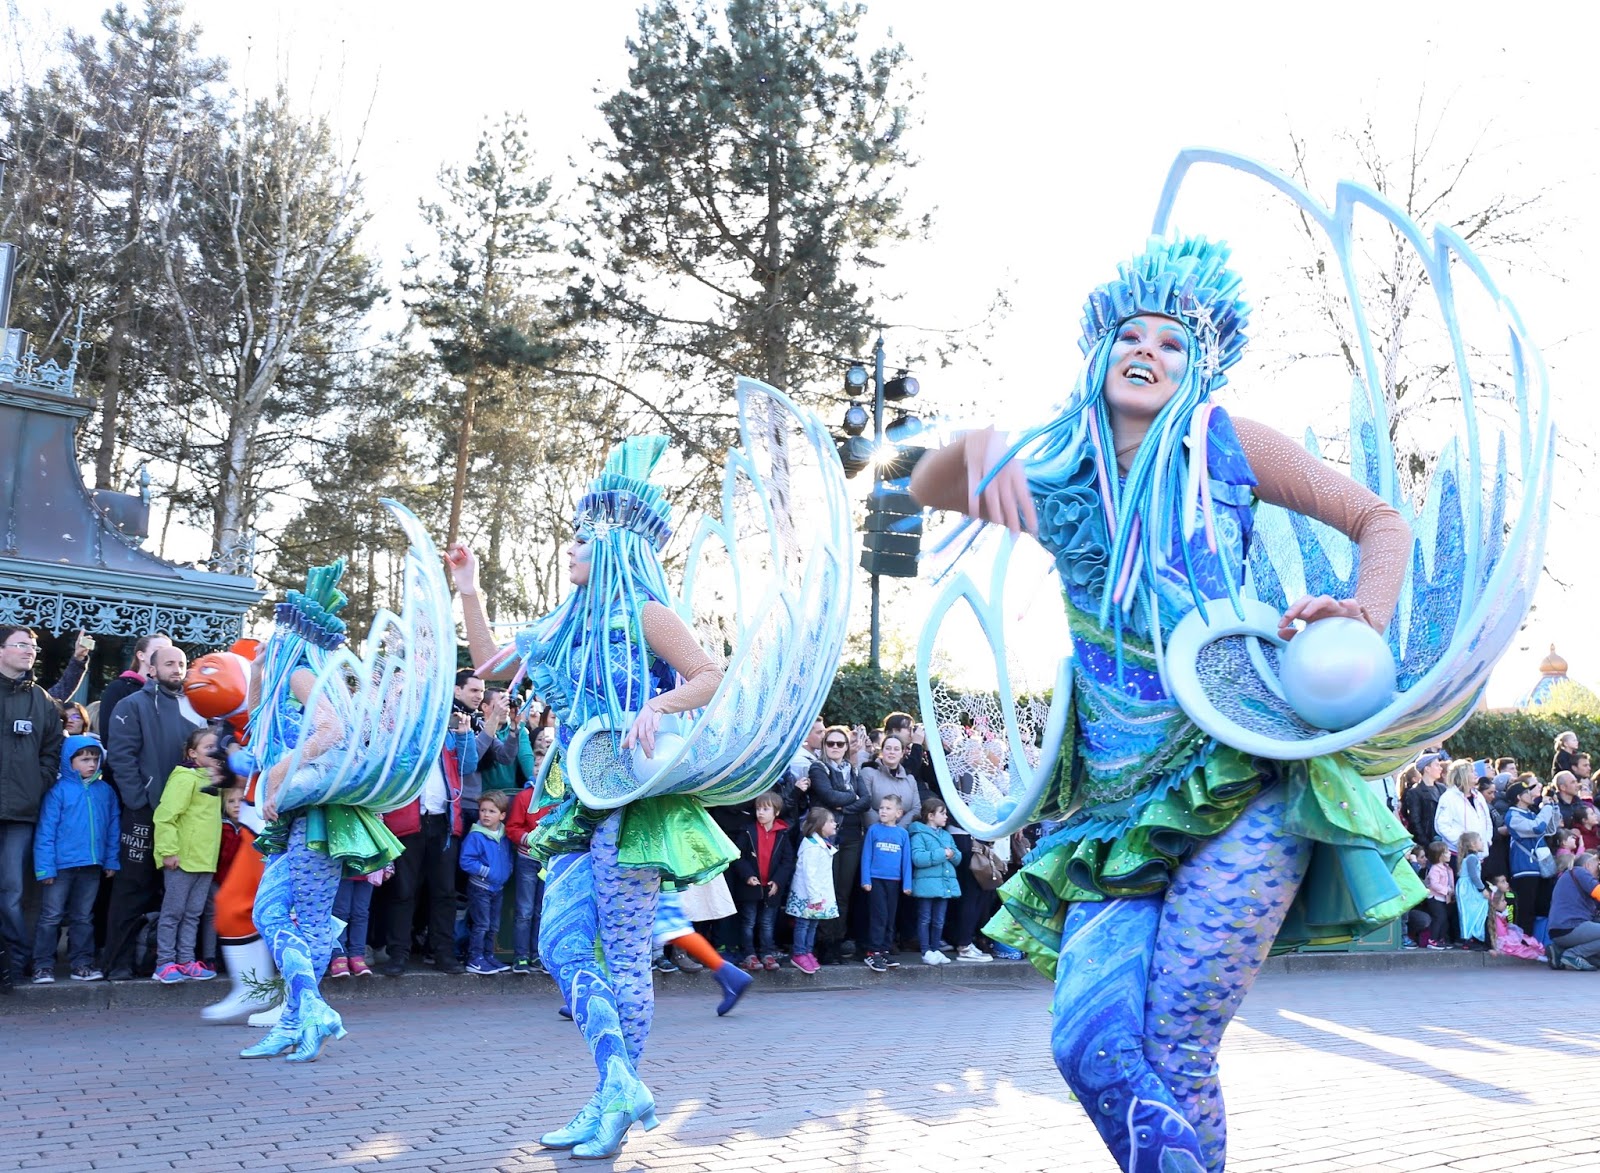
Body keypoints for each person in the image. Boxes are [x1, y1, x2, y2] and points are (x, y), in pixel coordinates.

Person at [907, 235, 1429, 1172]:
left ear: (1199, 366)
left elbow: (1380, 521)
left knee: (1177, 1044)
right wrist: (969, 451)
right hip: (1109, 811)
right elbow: (925, 485)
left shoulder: (1224, 442)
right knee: (1089, 1044)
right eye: (1130, 336)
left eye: (1172, 342)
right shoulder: (1058, 475)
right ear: (1099, 352)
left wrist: (1365, 613)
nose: (1147, 350)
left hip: (1242, 779)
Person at [451, 437, 743, 1160]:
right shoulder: (566, 623)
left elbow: (711, 676)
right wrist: (469, 587)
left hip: (633, 802)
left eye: (582, 539)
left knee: (623, 954)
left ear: (614, 545)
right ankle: (618, 1084)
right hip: (576, 800)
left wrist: (660, 705)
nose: (571, 549)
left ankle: (616, 1096)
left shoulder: (647, 612)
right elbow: (489, 665)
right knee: (557, 943)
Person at [103, 642, 200, 981]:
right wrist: (139, 802)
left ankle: (164, 960)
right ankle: (118, 962)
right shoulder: (132, 705)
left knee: (175, 892)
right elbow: (121, 757)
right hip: (144, 814)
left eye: (182, 663)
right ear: (152, 669)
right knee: (133, 888)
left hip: (185, 818)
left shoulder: (195, 708)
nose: (177, 669)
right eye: (169, 663)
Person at [1, 625, 65, 988]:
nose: (29, 651)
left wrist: (36, 784)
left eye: (33, 647)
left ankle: (13, 964)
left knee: (12, 891)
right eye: (21, 644)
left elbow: (52, 750)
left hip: (21, 812)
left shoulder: (40, 700)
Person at [30, 734, 118, 983]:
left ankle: (82, 964)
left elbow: (113, 828)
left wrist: (111, 860)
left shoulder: (105, 792)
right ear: (69, 762)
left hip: (91, 865)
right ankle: (42, 966)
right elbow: (46, 831)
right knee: (51, 916)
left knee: (83, 917)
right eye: (84, 759)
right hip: (60, 867)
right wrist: (45, 868)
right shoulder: (57, 792)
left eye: (95, 759)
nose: (91, 764)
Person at [151, 727, 223, 983]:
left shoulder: (214, 780)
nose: (214, 752)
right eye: (208, 747)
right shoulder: (184, 778)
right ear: (193, 753)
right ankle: (164, 963)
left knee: (193, 914)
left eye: (217, 747)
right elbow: (165, 816)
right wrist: (168, 851)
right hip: (181, 859)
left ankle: (186, 960)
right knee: (173, 913)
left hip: (204, 860)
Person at [808, 723, 871, 963]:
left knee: (843, 893)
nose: (835, 747)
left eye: (840, 743)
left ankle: (837, 941)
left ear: (846, 747)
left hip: (852, 837)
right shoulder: (818, 767)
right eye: (830, 743)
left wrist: (843, 805)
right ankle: (824, 945)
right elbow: (828, 796)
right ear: (824, 745)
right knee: (828, 891)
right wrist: (851, 796)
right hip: (827, 837)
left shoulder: (853, 770)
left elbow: (866, 800)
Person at [729, 790, 794, 971]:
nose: (760, 813)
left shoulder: (782, 834)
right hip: (751, 886)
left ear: (776, 812)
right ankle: (749, 954)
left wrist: (778, 881)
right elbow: (738, 856)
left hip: (771, 888)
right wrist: (748, 875)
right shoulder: (748, 831)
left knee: (767, 922)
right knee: (748, 921)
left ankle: (767, 953)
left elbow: (787, 861)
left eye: (766, 809)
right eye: (758, 809)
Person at [505, 772, 557, 974]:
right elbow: (513, 827)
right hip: (527, 859)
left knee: (543, 910)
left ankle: (537, 954)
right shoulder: (525, 796)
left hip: (549, 861)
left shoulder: (560, 797)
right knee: (524, 910)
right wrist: (530, 839)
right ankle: (521, 956)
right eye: (536, 764)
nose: (539, 769)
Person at [460, 791, 515, 974]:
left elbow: (508, 856)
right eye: (483, 810)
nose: (486, 815)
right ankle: (475, 959)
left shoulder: (503, 835)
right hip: (480, 887)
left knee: (493, 925)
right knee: (481, 925)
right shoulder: (476, 836)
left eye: (492, 811)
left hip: (497, 888)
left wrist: (508, 869)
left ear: (502, 815)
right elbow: (466, 861)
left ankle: (488, 955)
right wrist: (487, 872)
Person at [860, 794, 912, 973]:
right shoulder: (873, 830)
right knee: (879, 916)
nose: (882, 811)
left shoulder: (902, 833)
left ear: (898, 813)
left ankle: (884, 949)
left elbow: (906, 860)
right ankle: (872, 951)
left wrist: (907, 883)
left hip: (894, 881)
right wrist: (866, 879)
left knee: (890, 917)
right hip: (876, 880)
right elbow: (866, 856)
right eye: (881, 808)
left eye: (888, 808)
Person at [1505, 778, 1561, 936]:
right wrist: (1546, 808)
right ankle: (1524, 941)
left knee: (1542, 907)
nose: (1531, 795)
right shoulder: (1513, 815)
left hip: (1539, 867)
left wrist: (1553, 807)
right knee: (1526, 910)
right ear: (1518, 797)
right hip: (1524, 868)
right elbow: (1537, 828)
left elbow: (1550, 829)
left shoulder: (1531, 813)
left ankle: (1538, 940)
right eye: (1527, 792)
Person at [785, 807, 838, 974]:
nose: (835, 824)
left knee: (813, 923)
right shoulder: (812, 846)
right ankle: (799, 952)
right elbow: (809, 874)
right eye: (831, 821)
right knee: (803, 923)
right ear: (820, 825)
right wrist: (815, 897)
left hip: (818, 893)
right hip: (808, 894)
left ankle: (808, 951)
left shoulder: (822, 843)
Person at [908, 797, 960, 966]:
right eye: (942, 813)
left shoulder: (946, 835)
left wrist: (952, 854)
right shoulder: (918, 834)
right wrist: (943, 854)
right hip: (926, 885)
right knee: (925, 918)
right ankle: (926, 951)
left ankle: (936, 949)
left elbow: (957, 857)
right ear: (930, 816)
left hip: (944, 884)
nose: (946, 817)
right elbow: (918, 858)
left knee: (939, 919)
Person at [329, 864, 386, 978]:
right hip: (341, 866)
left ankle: (357, 955)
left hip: (367, 868)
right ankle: (338, 955)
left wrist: (387, 865)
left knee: (361, 913)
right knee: (340, 913)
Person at [1546, 852, 1600, 971]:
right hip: (1570, 927)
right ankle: (1572, 954)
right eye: (1598, 866)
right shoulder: (1579, 872)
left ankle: (1560, 951)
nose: (1598, 870)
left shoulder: (1573, 879)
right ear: (1588, 865)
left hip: (1562, 930)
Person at [1434, 758, 1493, 858]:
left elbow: (1487, 819)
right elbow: (1442, 826)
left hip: (1480, 853)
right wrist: (1464, 843)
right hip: (1459, 854)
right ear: (1462, 775)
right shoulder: (1448, 798)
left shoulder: (1478, 796)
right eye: (1472, 771)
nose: (1476, 774)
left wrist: (1486, 840)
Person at [1403, 753, 1448, 850]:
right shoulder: (1415, 792)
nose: (1440, 768)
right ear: (1427, 769)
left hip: (1444, 839)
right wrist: (1426, 844)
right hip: (1429, 842)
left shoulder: (1442, 788)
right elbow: (1415, 822)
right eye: (1437, 765)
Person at [1455, 831, 1489, 951]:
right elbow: (1474, 876)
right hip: (1468, 889)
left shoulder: (1472, 858)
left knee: (1476, 910)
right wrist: (1482, 889)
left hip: (1469, 887)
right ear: (1473, 844)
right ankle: (1468, 938)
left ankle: (1474, 936)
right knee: (1469, 912)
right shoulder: (1472, 858)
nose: (1482, 843)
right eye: (1480, 840)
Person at [1420, 841, 1455, 950]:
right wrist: (1447, 890)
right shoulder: (1435, 869)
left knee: (1444, 919)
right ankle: (1432, 940)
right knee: (1439, 918)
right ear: (1439, 856)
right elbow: (1434, 884)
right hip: (1435, 898)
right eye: (1447, 852)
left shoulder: (1446, 868)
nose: (1450, 853)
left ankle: (1441, 939)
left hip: (1444, 898)